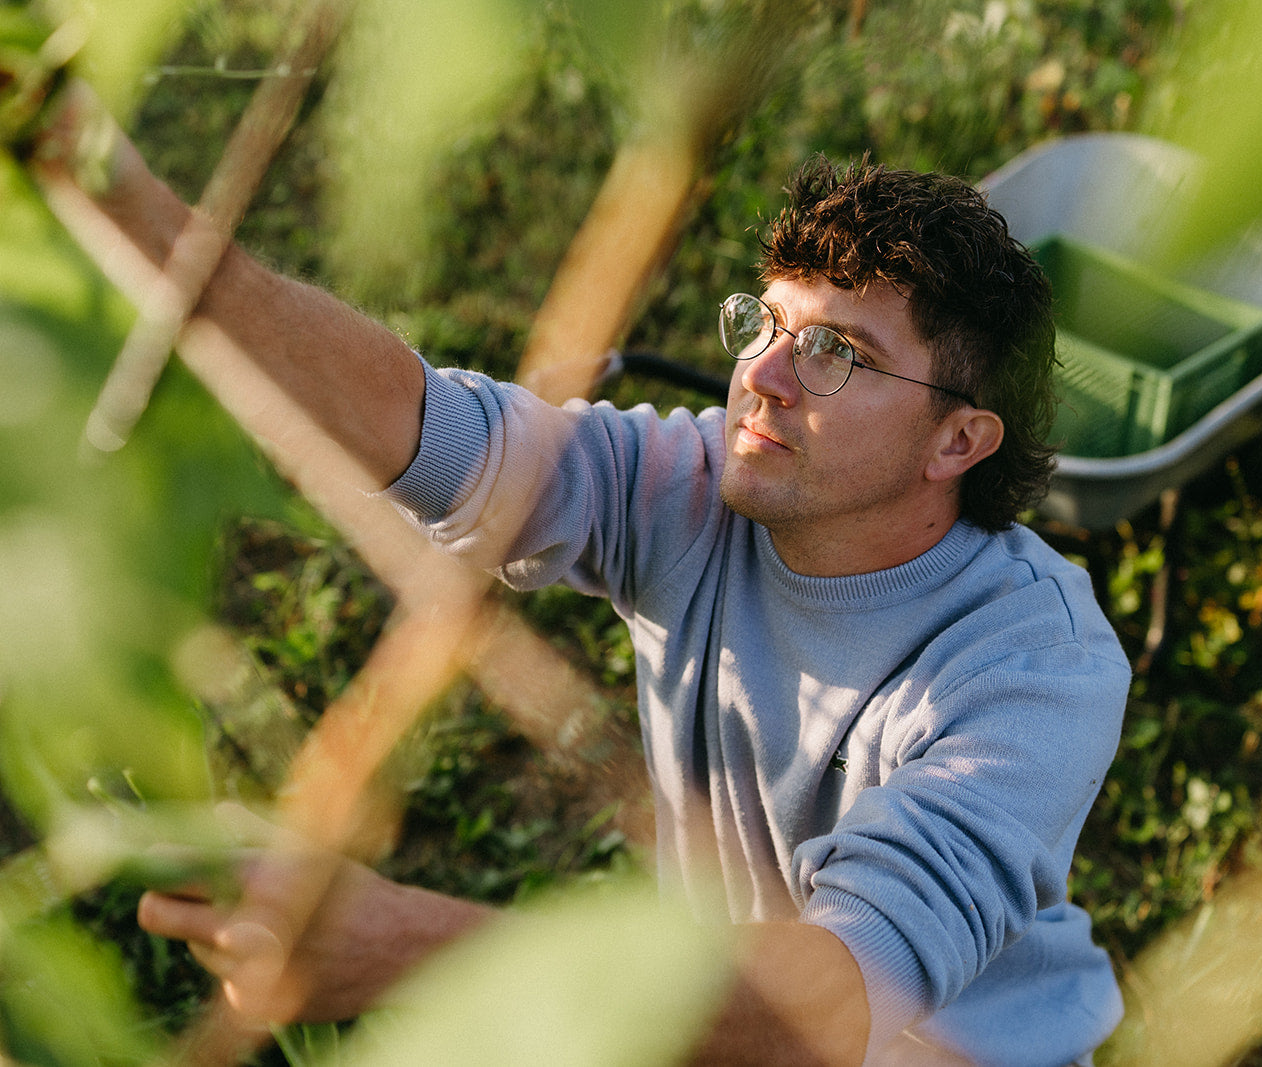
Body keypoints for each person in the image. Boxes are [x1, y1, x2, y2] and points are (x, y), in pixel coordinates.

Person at [26, 84, 1130, 1066]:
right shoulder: (694, 487)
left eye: (836, 352)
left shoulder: (1033, 670)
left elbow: (836, 1005)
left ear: (957, 441)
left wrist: (412, 946)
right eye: (767, 323)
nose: (763, 376)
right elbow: (431, 431)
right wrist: (112, 185)